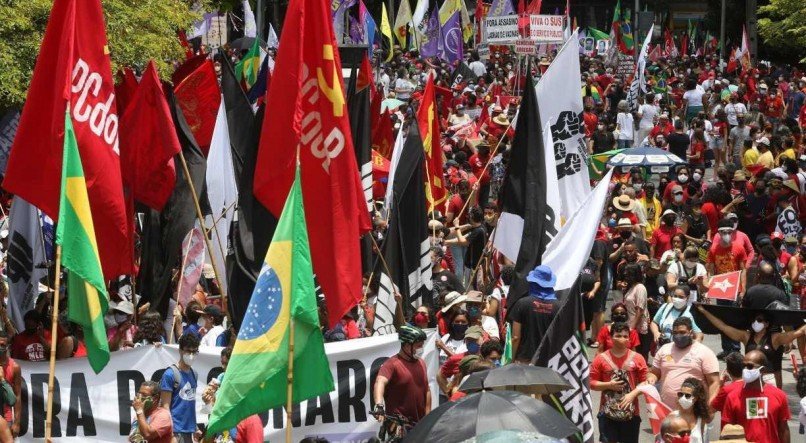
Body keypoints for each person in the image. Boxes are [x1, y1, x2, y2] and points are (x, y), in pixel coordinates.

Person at [696, 305, 806, 389]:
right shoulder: (746, 336)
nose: (755, 322)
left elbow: (798, 332)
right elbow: (723, 327)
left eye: (759, 320)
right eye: (754, 320)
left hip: (769, 379)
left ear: (767, 324)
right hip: (750, 377)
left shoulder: (775, 338)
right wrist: (704, 311)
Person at [632, 317, 719, 408]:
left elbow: (714, 382)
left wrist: (710, 407)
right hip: (666, 409)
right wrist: (651, 378)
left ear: (691, 332)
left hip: (693, 411)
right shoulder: (664, 349)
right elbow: (654, 373)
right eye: (675, 333)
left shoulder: (704, 352)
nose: (678, 336)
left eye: (682, 332)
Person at [590, 322, 648, 443]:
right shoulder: (600, 359)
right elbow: (591, 383)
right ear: (610, 338)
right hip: (607, 413)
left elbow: (645, 383)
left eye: (625, 336)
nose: (622, 339)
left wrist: (632, 395)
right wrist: (608, 385)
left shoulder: (638, 358)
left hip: (631, 414)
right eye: (618, 335)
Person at [722, 350, 791, 443]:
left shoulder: (779, 396)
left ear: (762, 370)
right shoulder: (733, 397)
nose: (745, 369)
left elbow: (783, 429)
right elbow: (727, 431)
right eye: (743, 366)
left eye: (750, 366)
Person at [373, 325, 431, 436]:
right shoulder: (392, 364)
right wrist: (379, 405)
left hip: (419, 426)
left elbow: (427, 390)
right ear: (407, 345)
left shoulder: (421, 363)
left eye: (422, 345)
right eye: (418, 346)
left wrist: (428, 417)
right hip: (399, 427)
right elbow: (379, 382)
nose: (421, 348)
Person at [510, 265, 559, 362]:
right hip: (548, 361)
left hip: (525, 360)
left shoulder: (522, 304)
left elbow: (515, 337)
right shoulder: (559, 307)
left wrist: (510, 360)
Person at [160, 333, 199, 443]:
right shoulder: (170, 374)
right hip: (175, 431)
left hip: (190, 432)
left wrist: (195, 427)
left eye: (194, 351)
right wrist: (170, 433)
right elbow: (165, 407)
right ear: (180, 350)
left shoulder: (194, 374)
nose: (191, 355)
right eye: (188, 351)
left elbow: (190, 403)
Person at [668, 377, 714, 443]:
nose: (683, 398)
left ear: (696, 398)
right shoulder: (672, 417)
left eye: (687, 395)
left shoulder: (701, 420)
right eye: (681, 394)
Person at [621, 263, 651, 360]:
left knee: (639, 356)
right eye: (625, 274)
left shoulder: (640, 288)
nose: (626, 275)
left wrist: (632, 328)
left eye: (629, 274)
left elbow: (640, 310)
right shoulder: (631, 287)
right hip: (629, 325)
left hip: (638, 328)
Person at [710, 352, 746, 429]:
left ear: (728, 371)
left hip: (730, 433)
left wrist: (719, 384)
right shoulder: (753, 386)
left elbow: (711, 409)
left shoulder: (726, 390)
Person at [0, 332, 20, 438]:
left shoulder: (14, 367)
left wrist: (17, 422)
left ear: (8, 346)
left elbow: (17, 397)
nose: (0, 347)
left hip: (7, 417)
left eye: (3, 345)